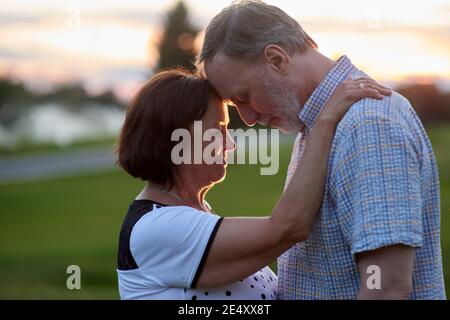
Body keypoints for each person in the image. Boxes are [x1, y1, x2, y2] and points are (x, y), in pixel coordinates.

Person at [198, 0, 445, 299]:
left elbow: (386, 286)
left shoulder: (367, 124)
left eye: (243, 97)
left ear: (276, 59)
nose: (248, 118)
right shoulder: (320, 125)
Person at [115, 68, 388, 300]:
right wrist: (324, 122)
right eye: (219, 130)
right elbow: (289, 227)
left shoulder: (187, 214)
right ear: (177, 138)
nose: (230, 144)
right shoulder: (156, 228)